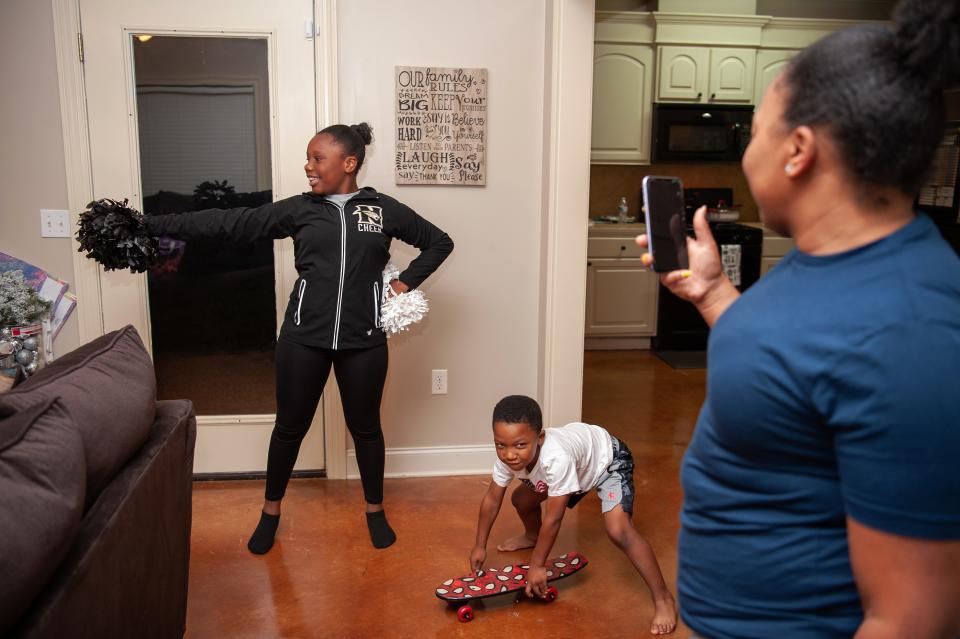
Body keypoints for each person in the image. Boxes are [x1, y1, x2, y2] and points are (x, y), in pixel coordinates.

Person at [637, 1, 960, 636]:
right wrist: (712, 296)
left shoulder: (911, 335)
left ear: (798, 150)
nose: (746, 150)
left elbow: (909, 618)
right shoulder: (830, 261)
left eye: (755, 131)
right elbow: (794, 375)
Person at [144, 123, 454, 553]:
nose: (308, 166)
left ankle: (374, 509)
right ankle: (270, 512)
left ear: (349, 163)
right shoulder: (300, 209)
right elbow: (229, 222)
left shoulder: (382, 210)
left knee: (365, 429)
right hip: (303, 338)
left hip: (363, 340)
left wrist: (403, 284)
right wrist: (151, 224)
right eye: (308, 158)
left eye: (317, 158)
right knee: (290, 428)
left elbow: (440, 242)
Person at [470, 395, 677, 635]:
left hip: (606, 462)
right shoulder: (508, 458)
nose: (509, 455)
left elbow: (554, 518)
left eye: (519, 445)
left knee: (619, 531)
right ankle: (532, 535)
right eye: (500, 445)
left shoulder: (556, 457)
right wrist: (479, 545)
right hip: (576, 468)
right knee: (521, 499)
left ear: (540, 438)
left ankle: (663, 599)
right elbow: (492, 499)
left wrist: (537, 565)